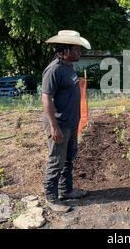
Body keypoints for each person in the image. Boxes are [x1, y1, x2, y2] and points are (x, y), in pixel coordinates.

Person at [41, 30, 91, 213]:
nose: (79, 53)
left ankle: (66, 190)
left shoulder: (68, 67)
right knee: (56, 160)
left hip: (70, 122)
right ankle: (51, 197)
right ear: (65, 50)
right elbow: (46, 97)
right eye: (76, 49)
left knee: (69, 158)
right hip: (59, 123)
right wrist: (54, 126)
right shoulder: (54, 69)